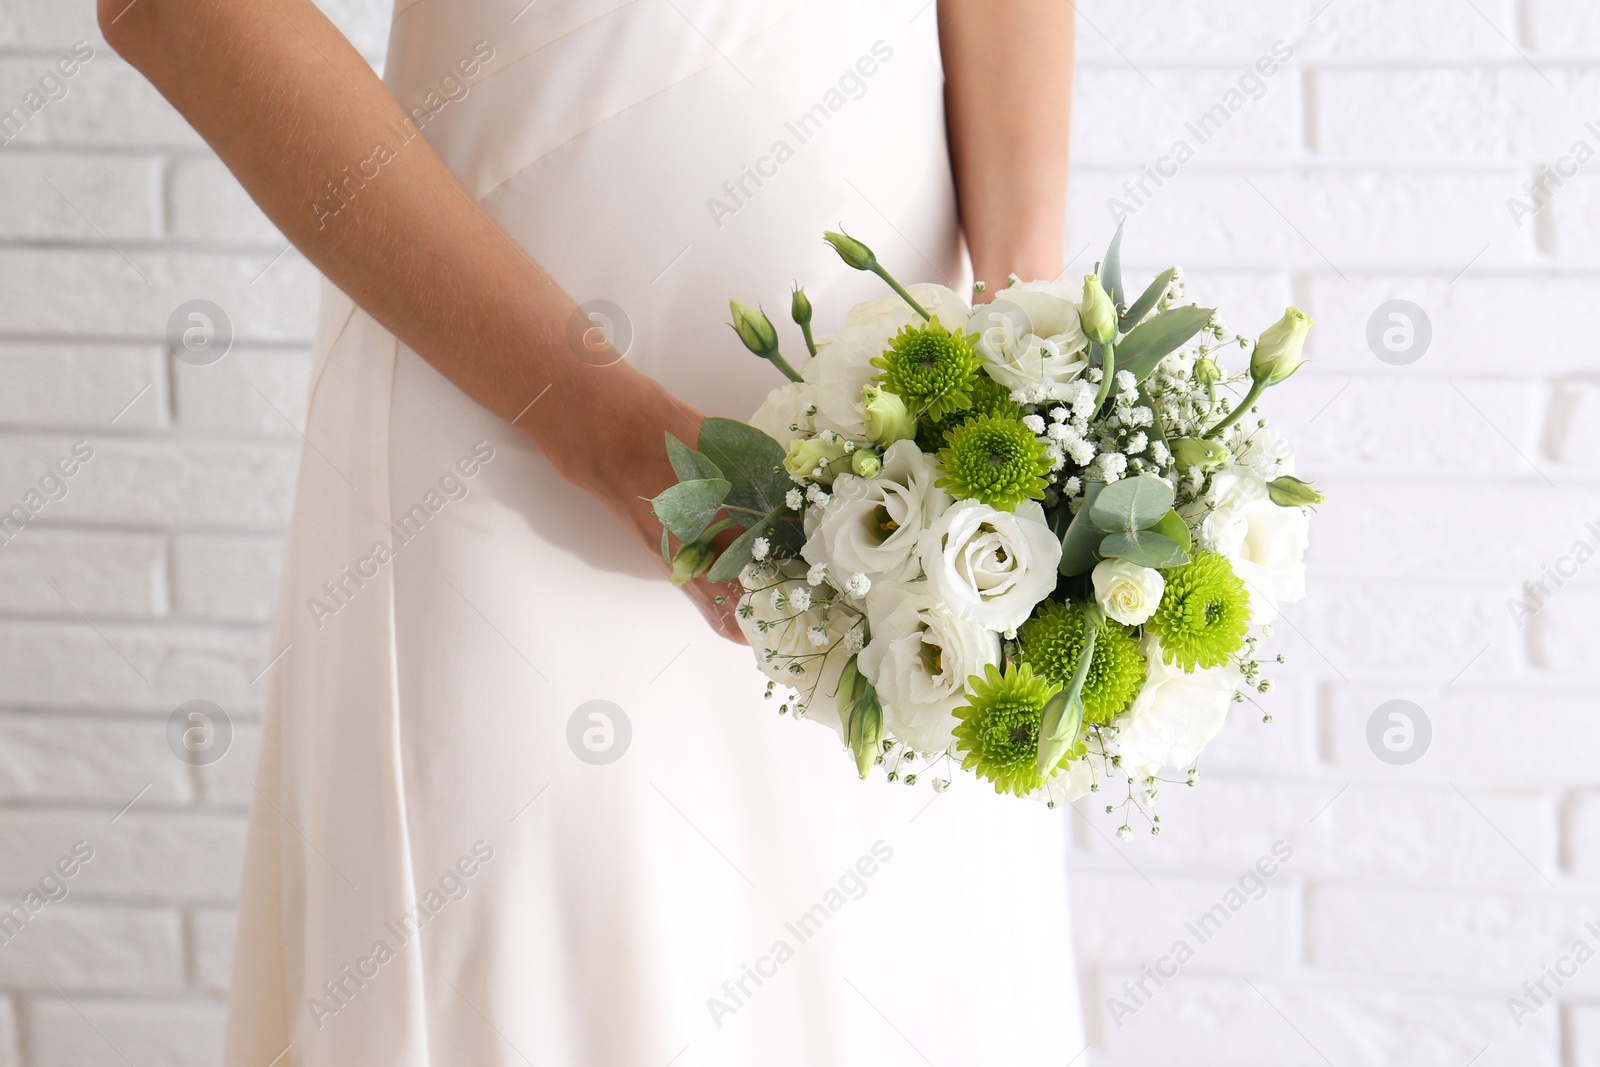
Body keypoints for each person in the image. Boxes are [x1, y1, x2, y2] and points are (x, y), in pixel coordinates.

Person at [104, 0, 1080, 1061]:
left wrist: (1031, 352)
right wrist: (606, 433)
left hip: (924, 434)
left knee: (903, 970)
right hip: (503, 381)